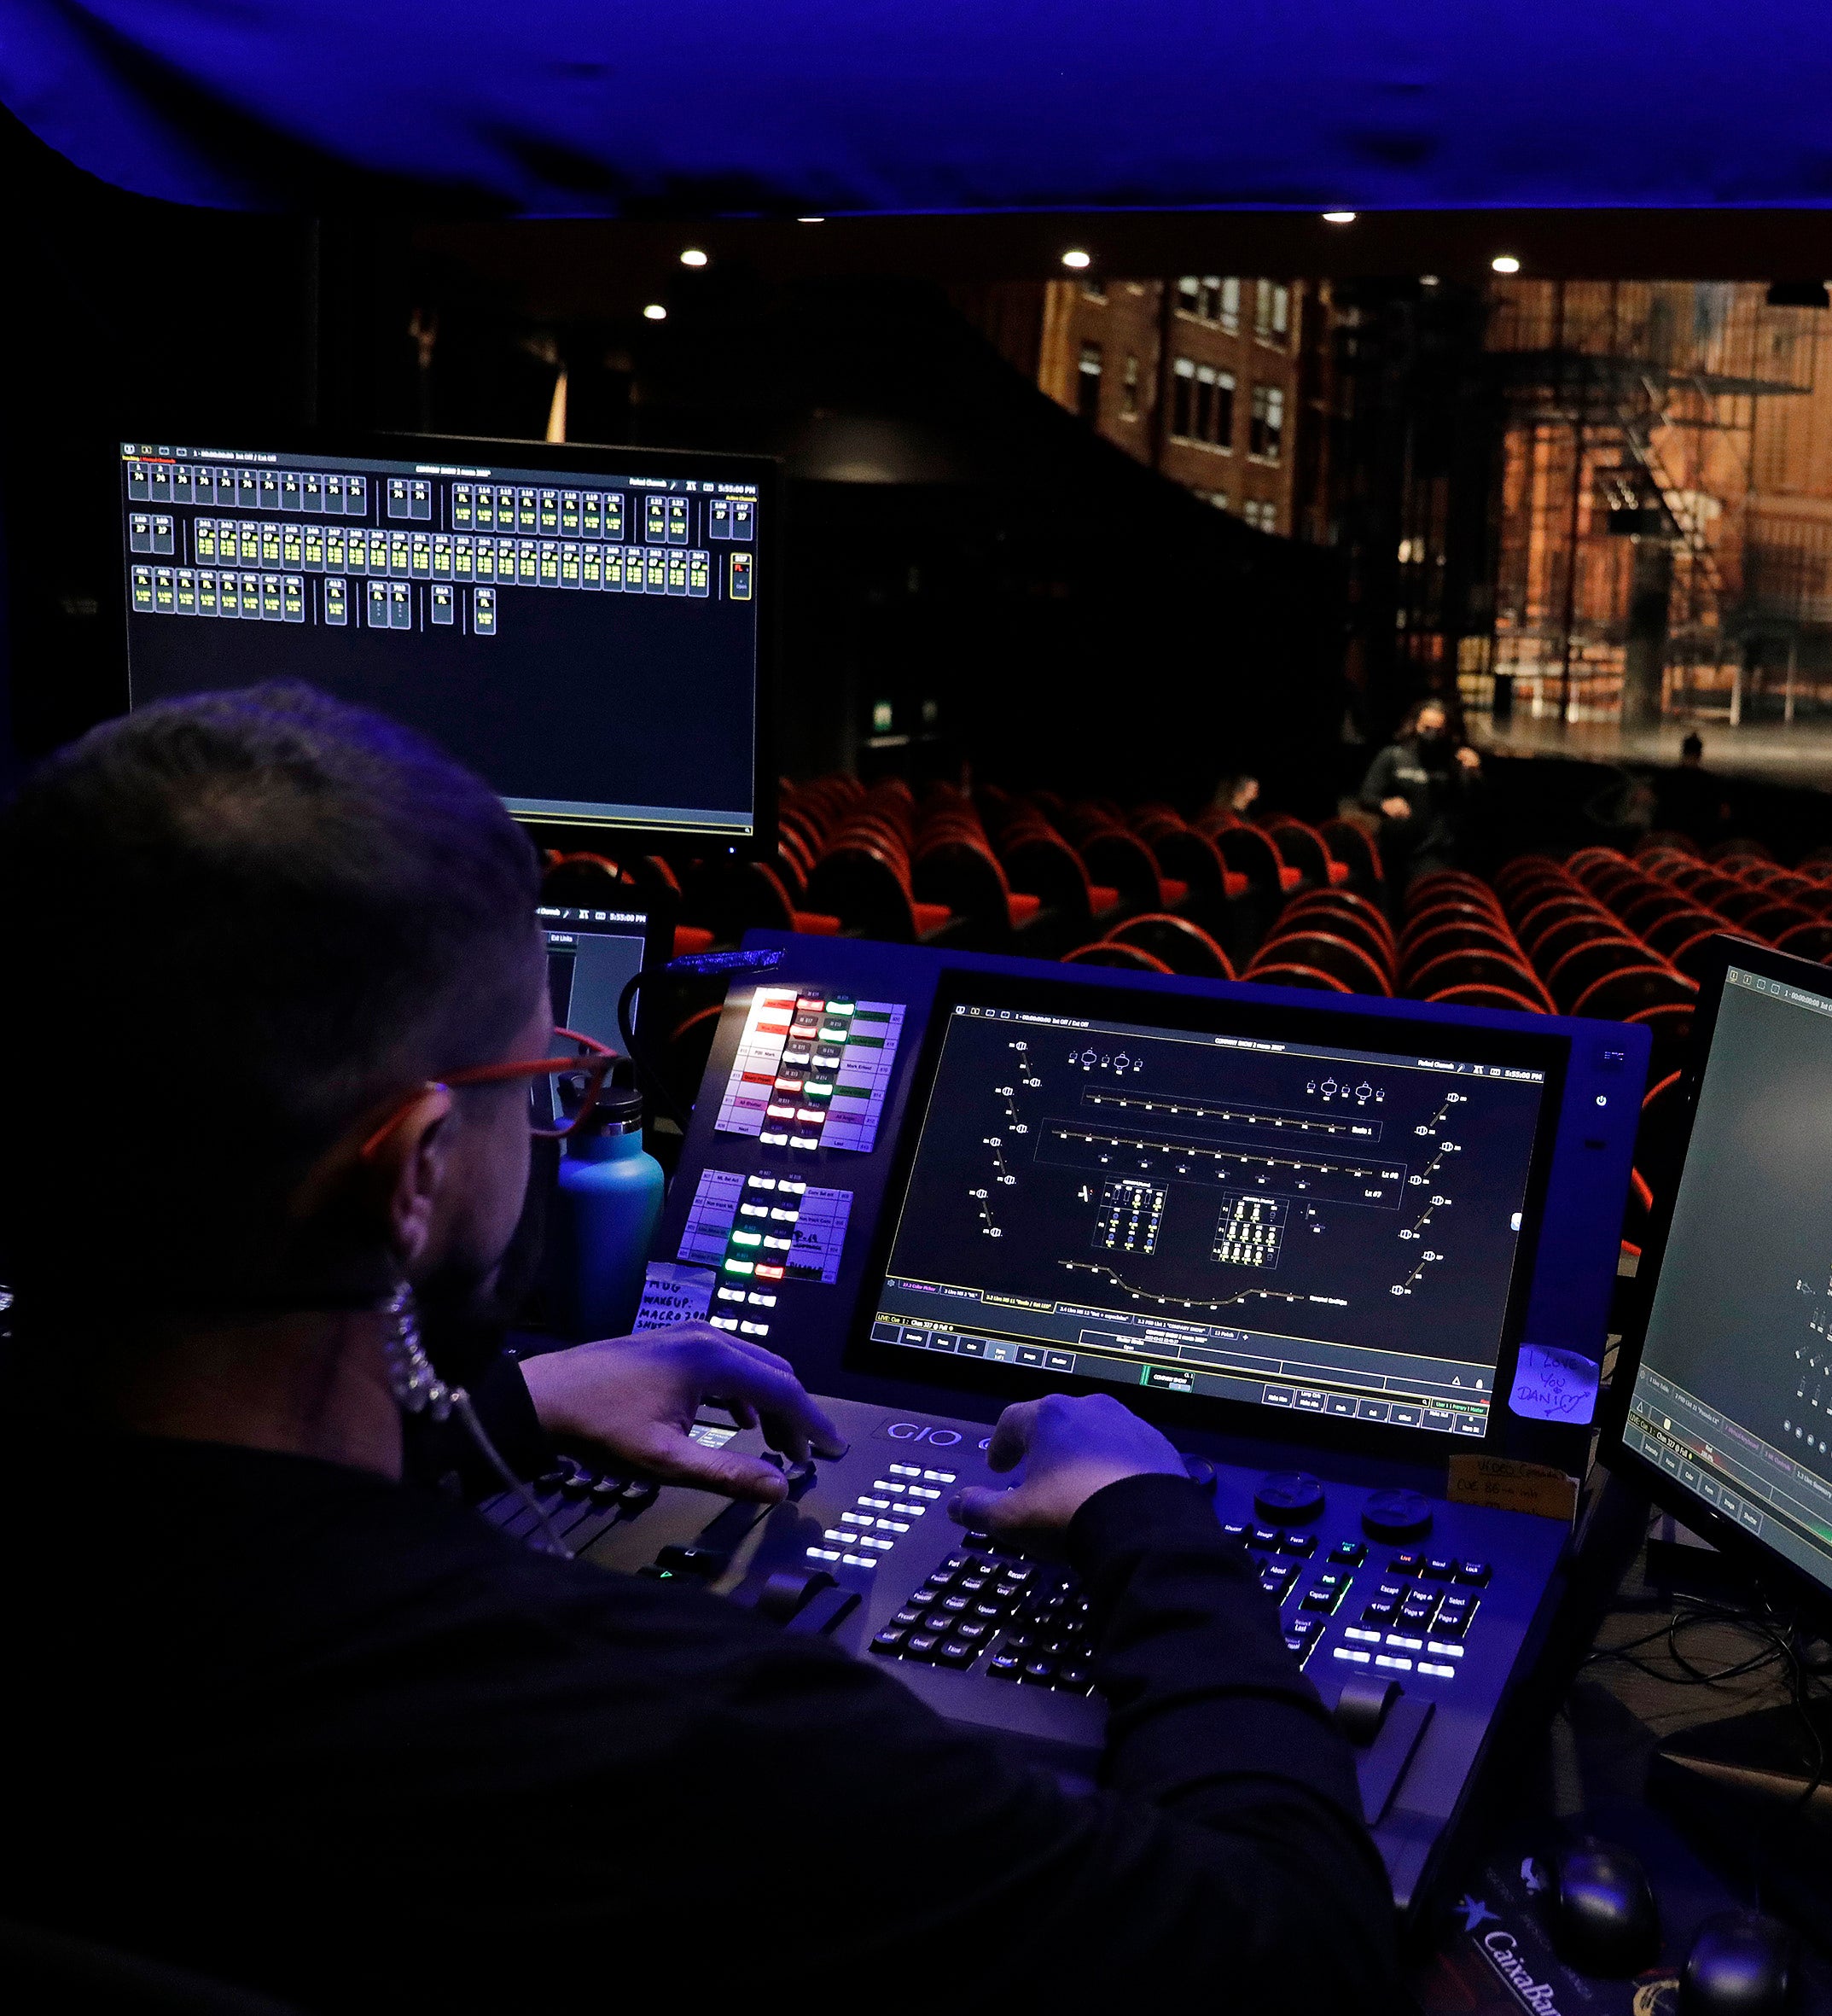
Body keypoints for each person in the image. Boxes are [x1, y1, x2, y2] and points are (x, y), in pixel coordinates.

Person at [0, 686, 1399, 2014]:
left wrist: (501, 1407)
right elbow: (1290, 1952)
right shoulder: (665, 1738)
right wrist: (1145, 1520)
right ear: (413, 1171)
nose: (547, 1124)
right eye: (531, 1084)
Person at [1356, 696, 1481, 886]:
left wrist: (1474, 772)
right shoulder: (1393, 756)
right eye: (1426, 728)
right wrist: (1384, 804)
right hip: (1394, 850)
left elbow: (1474, 802)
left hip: (1433, 852)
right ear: (1415, 725)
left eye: (1437, 730)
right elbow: (1366, 796)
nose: (1431, 734)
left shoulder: (1455, 762)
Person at [1650, 730, 1730, 845]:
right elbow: (1724, 813)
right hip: (1699, 840)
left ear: (1683, 752)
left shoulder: (1666, 778)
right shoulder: (1711, 782)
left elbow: (1649, 801)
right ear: (1699, 755)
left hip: (1668, 839)